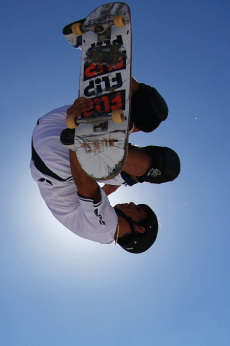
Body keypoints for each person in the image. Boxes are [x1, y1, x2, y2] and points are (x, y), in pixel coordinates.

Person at [30, 79, 179, 253]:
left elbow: (85, 185)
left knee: (165, 168)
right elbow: (100, 190)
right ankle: (111, 61)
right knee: (150, 115)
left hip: (56, 158)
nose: (132, 203)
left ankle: (88, 132)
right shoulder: (97, 224)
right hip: (52, 129)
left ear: (138, 228)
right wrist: (121, 182)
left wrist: (78, 135)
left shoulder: (107, 229)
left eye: (137, 209)